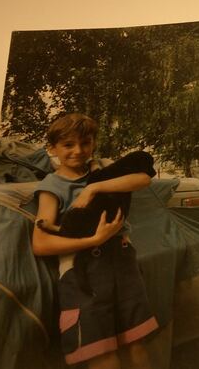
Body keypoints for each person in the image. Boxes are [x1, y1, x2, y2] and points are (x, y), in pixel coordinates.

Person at [32, 113, 157, 369]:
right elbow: (41, 244)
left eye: (85, 143)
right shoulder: (52, 186)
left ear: (93, 143)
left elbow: (143, 179)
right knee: (101, 351)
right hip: (82, 270)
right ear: (52, 148)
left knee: (136, 343)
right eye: (68, 145)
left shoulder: (101, 170)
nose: (78, 151)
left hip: (121, 261)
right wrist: (95, 239)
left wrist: (93, 188)